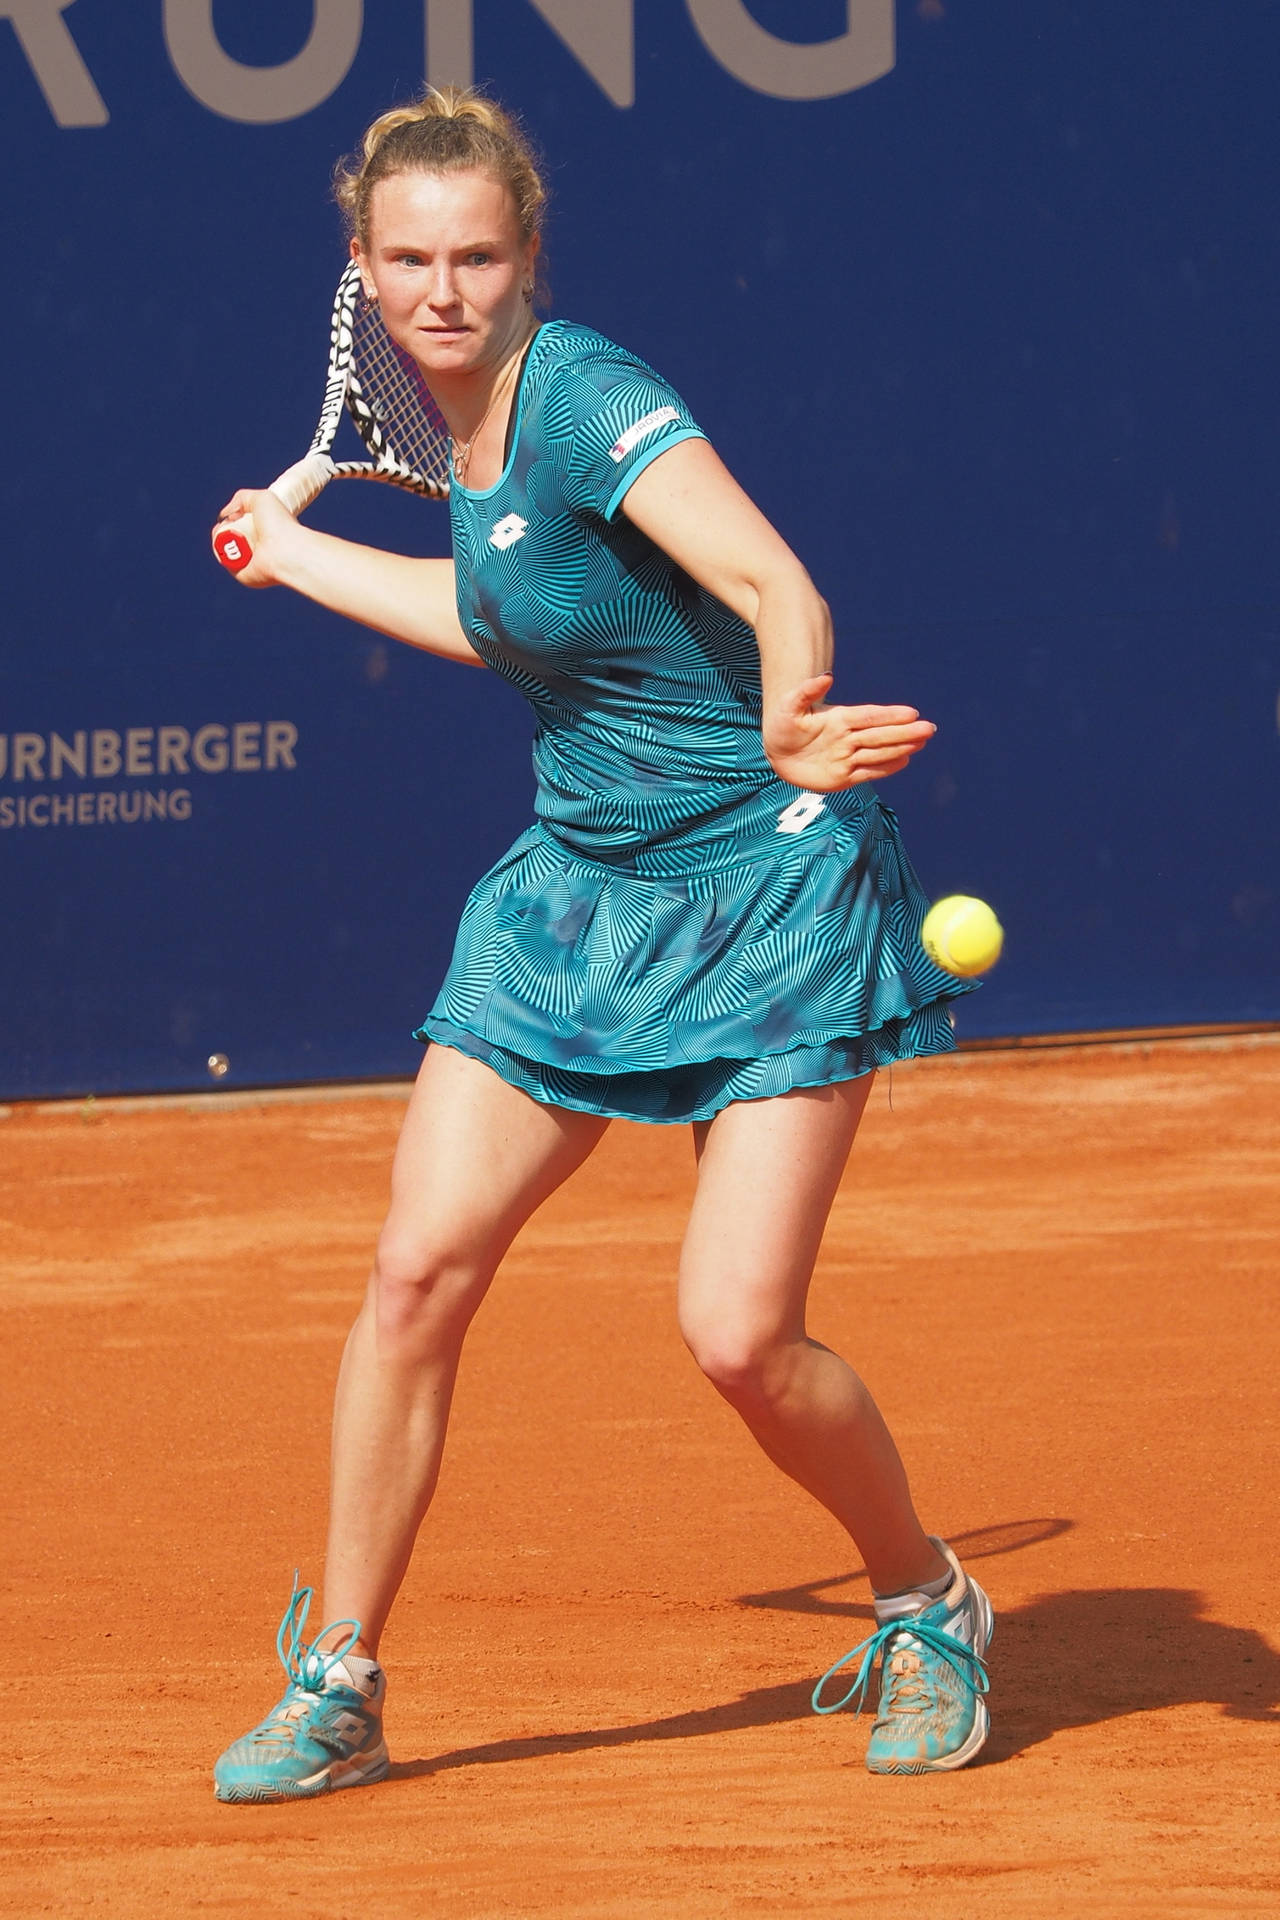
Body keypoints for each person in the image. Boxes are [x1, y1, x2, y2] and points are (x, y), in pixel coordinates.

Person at [209, 86, 992, 1803]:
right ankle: (340, 1675)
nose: (443, 291)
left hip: (772, 886)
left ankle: (927, 1600)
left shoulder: (588, 398)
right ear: (363, 266)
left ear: (527, 259)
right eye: (408, 259)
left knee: (735, 1336)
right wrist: (303, 548)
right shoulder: (463, 435)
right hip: (577, 898)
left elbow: (777, 580)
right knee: (418, 1268)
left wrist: (791, 716)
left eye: (477, 257)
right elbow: (508, 620)